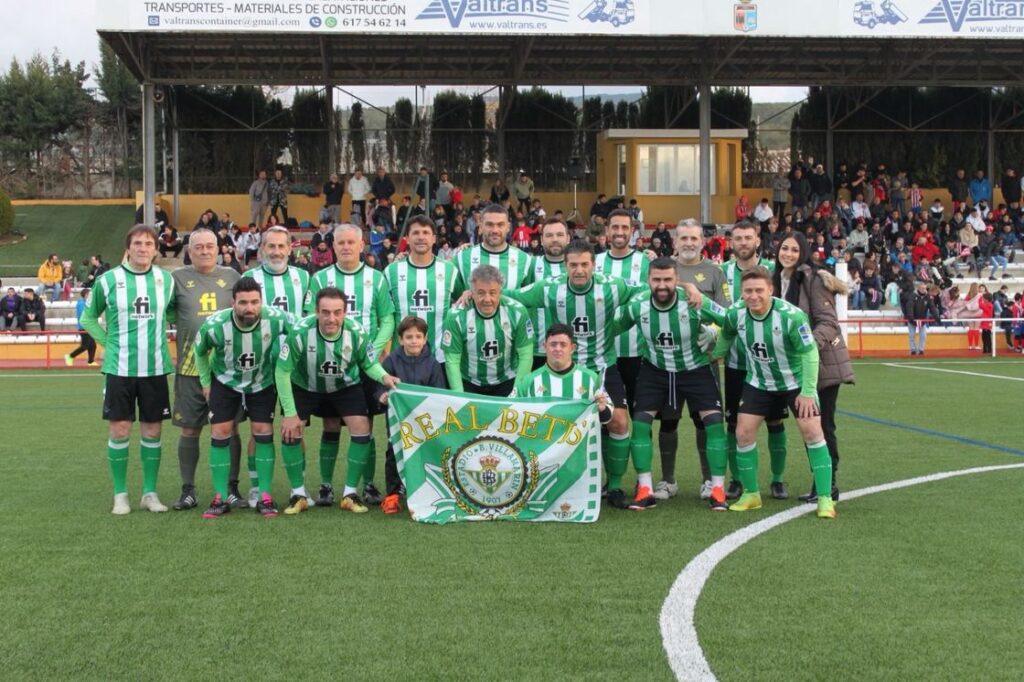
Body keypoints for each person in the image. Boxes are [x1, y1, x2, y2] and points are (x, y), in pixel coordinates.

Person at [504, 240, 643, 510]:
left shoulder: (613, 285)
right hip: (561, 370)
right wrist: (474, 294)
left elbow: (652, 288)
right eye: (573, 265)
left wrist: (688, 288)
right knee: (550, 425)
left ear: (593, 264)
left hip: (602, 367)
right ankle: (547, 479)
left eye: (584, 264)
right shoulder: (549, 287)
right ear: (565, 266)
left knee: (618, 423)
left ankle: (613, 486)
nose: (579, 270)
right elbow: (512, 295)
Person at [711, 266, 837, 519]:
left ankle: (825, 498)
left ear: (771, 290)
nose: (753, 295)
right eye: (748, 291)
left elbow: (810, 353)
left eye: (759, 290)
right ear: (742, 292)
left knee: (812, 431)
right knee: (743, 433)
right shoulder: (736, 313)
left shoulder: (792, 316)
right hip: (759, 382)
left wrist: (808, 392)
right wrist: (713, 355)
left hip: (795, 383)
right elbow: (726, 335)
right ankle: (752, 494)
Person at [612, 259, 729, 511]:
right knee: (641, 423)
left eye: (668, 280)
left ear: (676, 280)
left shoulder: (695, 302)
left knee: (714, 423)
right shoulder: (637, 305)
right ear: (648, 280)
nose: (662, 285)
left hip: (695, 370)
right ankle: (645, 489)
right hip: (655, 371)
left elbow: (729, 321)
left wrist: (715, 339)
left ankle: (717, 489)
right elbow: (612, 327)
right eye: (657, 280)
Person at [275, 286, 399, 515]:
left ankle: (350, 494)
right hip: (306, 385)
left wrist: (384, 376)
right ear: (316, 311)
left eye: (337, 312)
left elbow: (369, 364)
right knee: (291, 431)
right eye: (325, 312)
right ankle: (298, 493)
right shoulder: (300, 332)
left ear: (345, 312)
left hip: (344, 385)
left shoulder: (357, 332)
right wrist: (290, 413)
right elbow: (282, 371)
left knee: (362, 428)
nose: (331, 318)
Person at [80, 225, 176, 515]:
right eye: (138, 243)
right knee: (120, 429)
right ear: (128, 247)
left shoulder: (166, 280)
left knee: (152, 429)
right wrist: (105, 343)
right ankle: (120, 494)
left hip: (155, 367)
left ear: (156, 250)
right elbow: (88, 317)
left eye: (149, 243)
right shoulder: (109, 280)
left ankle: (150, 493)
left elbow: (173, 313)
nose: (143, 248)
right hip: (119, 368)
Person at [307, 223, 396, 504]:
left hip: (365, 363)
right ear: (332, 246)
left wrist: (373, 349)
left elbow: (388, 319)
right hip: (330, 363)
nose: (346, 247)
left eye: (351, 242)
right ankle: (325, 486)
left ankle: (368, 485)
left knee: (365, 425)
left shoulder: (377, 279)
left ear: (362, 245)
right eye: (340, 242)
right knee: (331, 424)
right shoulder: (321, 279)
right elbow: (311, 318)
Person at [192, 277, 291, 519]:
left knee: (262, 431)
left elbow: (300, 330)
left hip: (262, 380)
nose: (250, 308)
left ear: (261, 302)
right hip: (225, 381)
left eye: (255, 302)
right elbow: (199, 352)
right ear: (233, 303)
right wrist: (206, 383)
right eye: (244, 302)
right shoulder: (214, 325)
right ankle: (220, 497)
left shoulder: (277, 318)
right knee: (221, 432)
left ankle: (265, 496)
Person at [773, 232, 854, 502]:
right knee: (808, 426)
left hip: (822, 365)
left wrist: (805, 346)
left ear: (804, 252)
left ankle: (828, 484)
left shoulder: (813, 278)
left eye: (795, 250)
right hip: (792, 366)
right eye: (784, 248)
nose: (788, 254)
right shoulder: (775, 279)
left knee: (822, 426)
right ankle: (820, 482)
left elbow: (828, 323)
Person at [167, 228, 242, 511]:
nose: (205, 251)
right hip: (189, 368)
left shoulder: (233, 277)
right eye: (198, 247)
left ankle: (232, 489)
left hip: (226, 370)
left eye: (210, 246)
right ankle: (188, 490)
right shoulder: (176, 279)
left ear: (219, 248)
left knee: (230, 428)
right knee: (190, 430)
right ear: (189, 251)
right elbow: (169, 313)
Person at [717, 221, 785, 500]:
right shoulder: (720, 272)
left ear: (758, 240)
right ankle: (737, 479)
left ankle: (778, 479)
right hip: (736, 364)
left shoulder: (773, 271)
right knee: (734, 425)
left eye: (748, 237)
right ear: (731, 242)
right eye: (738, 238)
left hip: (771, 365)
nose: (743, 242)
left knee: (775, 423)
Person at [672, 218, 729, 498]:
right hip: (667, 361)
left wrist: (714, 330)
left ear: (702, 242)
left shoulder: (715, 272)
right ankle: (667, 481)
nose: (689, 243)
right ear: (675, 241)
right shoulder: (661, 269)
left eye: (694, 238)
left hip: (703, 361)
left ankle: (709, 479)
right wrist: (685, 285)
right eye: (684, 238)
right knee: (668, 420)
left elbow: (726, 312)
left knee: (705, 420)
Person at [373, 316, 446, 514]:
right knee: (394, 451)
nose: (414, 341)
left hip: (424, 420)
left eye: (418, 336)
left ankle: (428, 490)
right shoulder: (391, 361)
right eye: (409, 337)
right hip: (398, 418)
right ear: (400, 339)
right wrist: (382, 397)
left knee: (426, 450)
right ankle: (393, 494)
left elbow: (439, 392)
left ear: (425, 338)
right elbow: (379, 388)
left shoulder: (433, 364)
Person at [441, 264, 533, 396]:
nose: (487, 299)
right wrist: (458, 396)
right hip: (469, 382)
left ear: (500, 292)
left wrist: (517, 392)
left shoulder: (517, 312)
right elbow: (452, 361)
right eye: (481, 293)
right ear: (471, 292)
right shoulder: (456, 316)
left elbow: (526, 355)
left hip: (506, 381)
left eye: (493, 293)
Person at [385, 216, 464, 368]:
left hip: (440, 358)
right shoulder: (391, 271)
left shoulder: (449, 270)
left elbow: (463, 299)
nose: (421, 237)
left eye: (425, 232)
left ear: (434, 238)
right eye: (415, 233)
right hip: (401, 360)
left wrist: (467, 292)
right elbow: (383, 313)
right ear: (407, 239)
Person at [595, 208, 650, 420]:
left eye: (624, 227)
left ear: (632, 231)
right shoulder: (594, 262)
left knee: (640, 417)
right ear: (607, 231)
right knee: (605, 417)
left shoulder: (645, 262)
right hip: (602, 355)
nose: (620, 232)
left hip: (636, 353)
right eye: (615, 227)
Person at [453, 203, 534, 290]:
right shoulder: (462, 257)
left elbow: (528, 297)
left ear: (508, 227)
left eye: (500, 225)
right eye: (489, 225)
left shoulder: (524, 259)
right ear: (480, 227)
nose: (495, 230)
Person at [243, 225, 310, 317]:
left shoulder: (304, 277)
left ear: (289, 249)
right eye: (271, 246)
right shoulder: (248, 277)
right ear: (263, 249)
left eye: (281, 246)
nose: (276, 252)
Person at [903, 281, 940, 356]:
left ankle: (921, 350)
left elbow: (932, 307)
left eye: (925, 288)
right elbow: (909, 307)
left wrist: (937, 317)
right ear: (918, 288)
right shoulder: (912, 296)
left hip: (922, 319)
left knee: (923, 335)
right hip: (912, 319)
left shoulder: (928, 297)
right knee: (912, 335)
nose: (924, 290)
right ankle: (913, 350)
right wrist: (911, 318)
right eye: (922, 288)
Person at [64, 288, 98, 366]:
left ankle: (91, 361)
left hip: (89, 327)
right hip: (84, 327)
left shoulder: (86, 303)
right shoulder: (81, 304)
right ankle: (70, 356)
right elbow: (82, 316)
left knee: (92, 345)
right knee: (85, 346)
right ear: (86, 295)